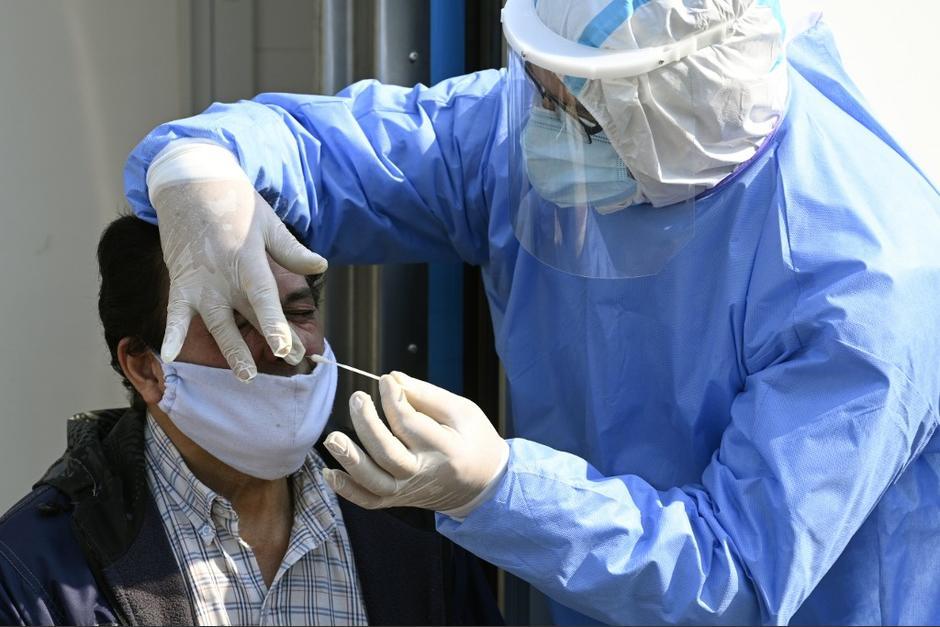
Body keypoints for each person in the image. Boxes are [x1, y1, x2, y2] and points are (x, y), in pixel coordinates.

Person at [122, 0, 940, 624]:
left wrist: (503, 491)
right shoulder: (533, 128)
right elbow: (344, 153)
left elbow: (738, 578)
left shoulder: (864, 281)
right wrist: (201, 167)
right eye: (533, 83)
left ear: (661, 112)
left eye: (560, 99)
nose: (532, 115)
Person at [0, 215, 502, 626]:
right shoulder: (33, 570)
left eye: (299, 312)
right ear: (148, 368)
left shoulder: (413, 524)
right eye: (237, 320)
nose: (286, 346)